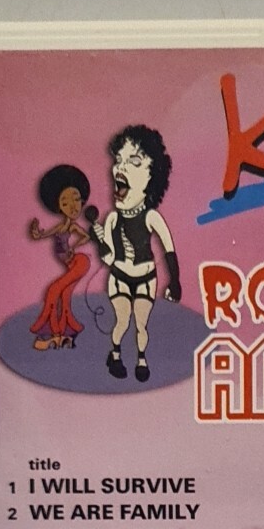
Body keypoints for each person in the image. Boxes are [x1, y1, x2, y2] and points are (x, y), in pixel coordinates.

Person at [91, 126, 180, 381]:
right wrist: (101, 243)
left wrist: (174, 281)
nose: (121, 167)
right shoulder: (111, 220)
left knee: (141, 324)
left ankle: (141, 359)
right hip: (119, 277)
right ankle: (116, 353)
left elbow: (169, 249)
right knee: (122, 321)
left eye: (135, 161)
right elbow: (109, 258)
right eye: (119, 160)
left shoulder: (152, 217)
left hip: (146, 279)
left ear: (152, 176)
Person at [28, 164, 92, 350]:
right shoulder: (61, 227)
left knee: (53, 289)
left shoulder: (72, 227)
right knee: (64, 294)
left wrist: (74, 246)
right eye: (65, 203)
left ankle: (50, 331)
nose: (73, 207)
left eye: (76, 199)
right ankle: (67, 332)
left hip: (79, 262)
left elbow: (86, 236)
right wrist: (36, 232)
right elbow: (43, 235)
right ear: (58, 206)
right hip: (70, 265)